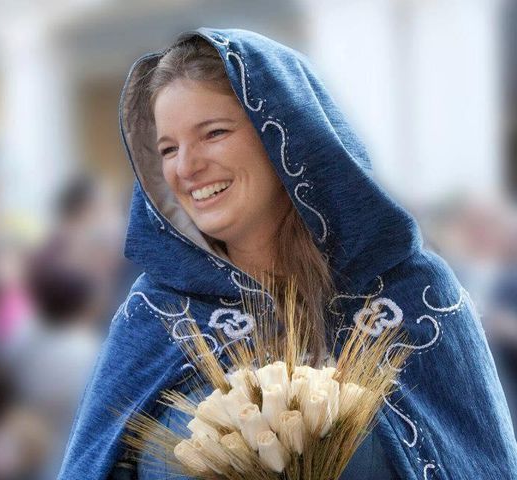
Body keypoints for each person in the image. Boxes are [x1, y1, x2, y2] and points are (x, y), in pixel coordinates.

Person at [57, 28, 517, 479]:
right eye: (168, 149)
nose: (186, 167)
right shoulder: (155, 317)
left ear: (287, 136)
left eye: (213, 132)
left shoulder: (413, 296)